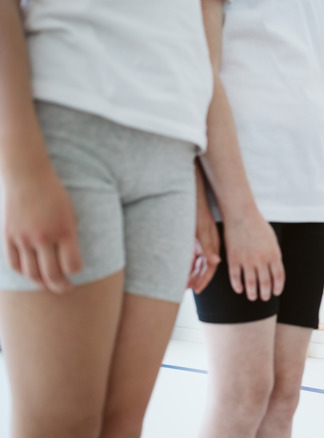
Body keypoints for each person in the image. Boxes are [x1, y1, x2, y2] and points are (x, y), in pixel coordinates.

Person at [0, 1, 216, 436]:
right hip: (66, 125)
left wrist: (198, 194)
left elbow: (207, 47)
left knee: (123, 425)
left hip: (174, 156)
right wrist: (21, 170)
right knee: (60, 426)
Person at [192, 1, 324, 437]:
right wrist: (233, 210)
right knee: (242, 396)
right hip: (238, 196)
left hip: (307, 202)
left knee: (284, 396)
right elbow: (199, 75)